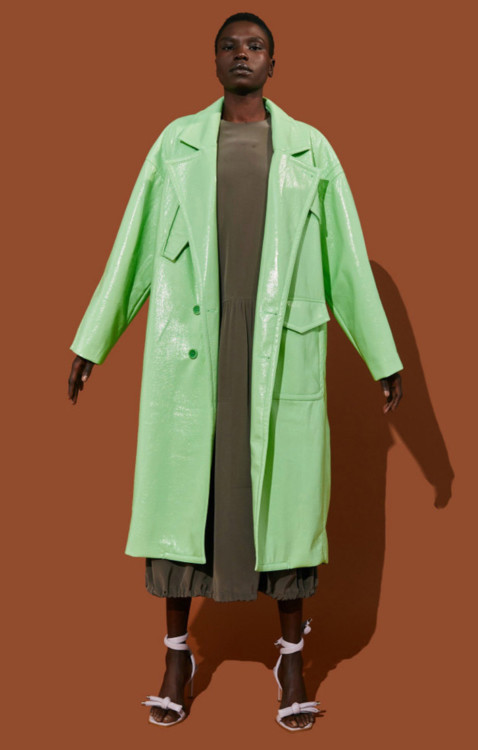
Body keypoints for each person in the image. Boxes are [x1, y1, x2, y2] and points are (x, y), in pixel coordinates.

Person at [67, 12, 403, 732]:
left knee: (285, 511)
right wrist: (93, 341)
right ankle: (176, 660)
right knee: (184, 506)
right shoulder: (176, 144)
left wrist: (384, 357)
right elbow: (132, 247)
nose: (242, 54)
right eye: (230, 45)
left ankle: (291, 663)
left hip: (278, 345)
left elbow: (347, 261)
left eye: (255, 46)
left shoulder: (311, 151)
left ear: (274, 64)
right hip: (194, 346)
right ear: (214, 60)